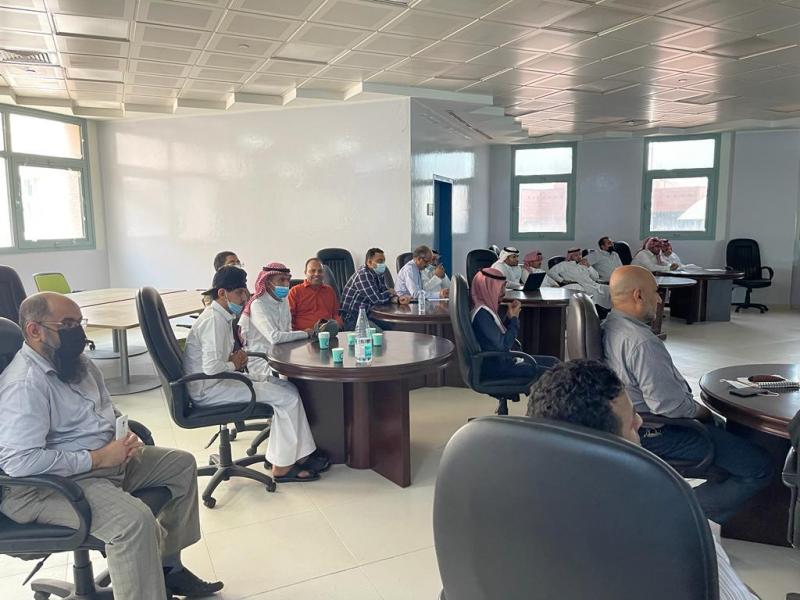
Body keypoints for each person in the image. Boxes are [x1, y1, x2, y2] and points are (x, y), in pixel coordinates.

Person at [0, 293, 223, 600]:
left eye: (79, 323)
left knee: (181, 465)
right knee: (133, 522)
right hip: (46, 487)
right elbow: (19, 463)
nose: (78, 331)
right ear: (34, 330)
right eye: (67, 324)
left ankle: (168, 569)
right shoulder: (24, 384)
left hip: (102, 464)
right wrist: (97, 458)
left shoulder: (78, 363)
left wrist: (124, 431)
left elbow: (105, 408)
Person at [528, 359, 760, 600]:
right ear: (607, 449)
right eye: (631, 422)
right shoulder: (673, 525)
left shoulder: (516, 510)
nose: (639, 422)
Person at [602, 265, 772, 524]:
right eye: (656, 293)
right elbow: (670, 407)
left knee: (729, 444)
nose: (659, 300)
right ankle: (674, 515)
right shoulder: (641, 342)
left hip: (634, 424)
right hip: (659, 431)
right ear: (639, 295)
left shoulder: (611, 325)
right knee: (759, 467)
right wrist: (702, 411)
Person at [183, 266, 324, 483]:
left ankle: (294, 455)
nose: (244, 297)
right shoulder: (213, 320)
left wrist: (233, 360)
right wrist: (234, 363)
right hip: (210, 389)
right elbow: (211, 368)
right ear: (222, 293)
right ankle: (282, 467)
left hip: (219, 380)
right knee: (287, 398)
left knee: (288, 388)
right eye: (239, 292)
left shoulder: (221, 316)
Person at [470, 268, 558, 385]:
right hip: (498, 368)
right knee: (556, 374)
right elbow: (504, 345)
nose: (503, 293)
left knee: (554, 362)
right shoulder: (482, 314)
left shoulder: (485, 309)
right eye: (500, 288)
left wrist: (509, 317)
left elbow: (498, 337)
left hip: (505, 362)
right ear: (488, 288)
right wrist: (514, 319)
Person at [239, 263, 313, 378]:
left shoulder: (284, 300)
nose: (286, 284)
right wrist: (305, 334)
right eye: (281, 280)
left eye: (288, 280)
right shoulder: (258, 304)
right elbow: (274, 337)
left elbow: (287, 331)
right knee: (292, 379)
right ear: (268, 283)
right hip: (263, 359)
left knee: (308, 368)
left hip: (282, 354)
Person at [340, 248, 410, 330]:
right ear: (369, 262)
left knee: (395, 326)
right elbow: (377, 300)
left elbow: (383, 293)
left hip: (369, 315)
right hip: (352, 319)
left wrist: (397, 300)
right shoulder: (363, 275)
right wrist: (389, 292)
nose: (383, 264)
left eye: (383, 261)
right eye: (380, 261)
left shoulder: (378, 274)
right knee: (380, 333)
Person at [548, 248, 612, 313]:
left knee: (608, 289)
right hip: (582, 287)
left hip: (594, 285)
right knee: (594, 295)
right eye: (576, 255)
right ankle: (599, 310)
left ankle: (610, 311)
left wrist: (588, 266)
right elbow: (551, 273)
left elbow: (596, 277)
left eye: (580, 254)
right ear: (570, 256)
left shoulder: (583, 264)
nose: (579, 257)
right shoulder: (563, 265)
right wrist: (562, 280)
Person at [288, 257, 343, 332]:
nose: (317, 274)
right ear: (305, 273)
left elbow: (335, 314)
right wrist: (300, 333)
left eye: (320, 271)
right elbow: (288, 319)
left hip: (327, 333)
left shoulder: (329, 291)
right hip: (303, 335)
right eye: (312, 271)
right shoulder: (295, 291)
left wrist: (338, 325)